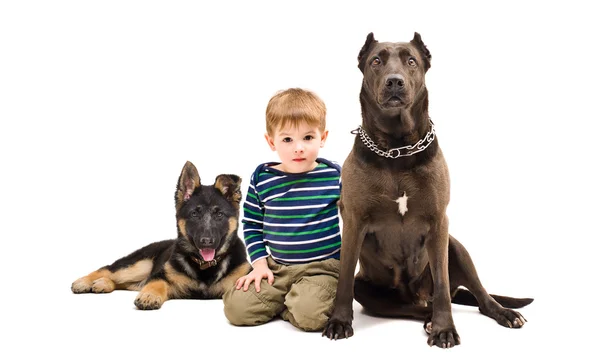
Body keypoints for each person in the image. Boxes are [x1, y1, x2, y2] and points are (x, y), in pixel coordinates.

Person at [223, 88, 341, 332]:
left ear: (323, 137)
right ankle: (288, 300)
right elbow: (252, 225)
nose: (298, 148)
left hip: (322, 269)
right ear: (271, 141)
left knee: (310, 317)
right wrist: (260, 265)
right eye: (287, 139)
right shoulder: (263, 177)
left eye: (308, 138)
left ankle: (297, 305)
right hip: (276, 267)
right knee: (236, 309)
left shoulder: (336, 175)